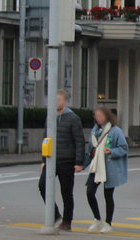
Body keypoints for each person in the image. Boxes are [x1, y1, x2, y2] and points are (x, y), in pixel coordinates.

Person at [37, 90, 85, 230]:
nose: (56, 103)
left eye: (58, 100)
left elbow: (79, 140)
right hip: (51, 159)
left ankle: (67, 221)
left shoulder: (73, 118)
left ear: (65, 101)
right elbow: (45, 138)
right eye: (54, 100)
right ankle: (55, 214)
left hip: (67, 160)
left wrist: (78, 162)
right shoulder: (50, 117)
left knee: (66, 191)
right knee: (42, 185)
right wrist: (43, 159)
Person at [84, 107, 128, 232]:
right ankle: (97, 219)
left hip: (109, 166)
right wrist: (82, 164)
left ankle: (108, 223)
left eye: (100, 115)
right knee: (90, 192)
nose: (98, 118)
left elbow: (124, 148)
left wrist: (112, 151)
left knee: (108, 195)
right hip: (96, 166)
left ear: (107, 116)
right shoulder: (95, 131)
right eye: (96, 116)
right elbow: (90, 151)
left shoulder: (115, 131)